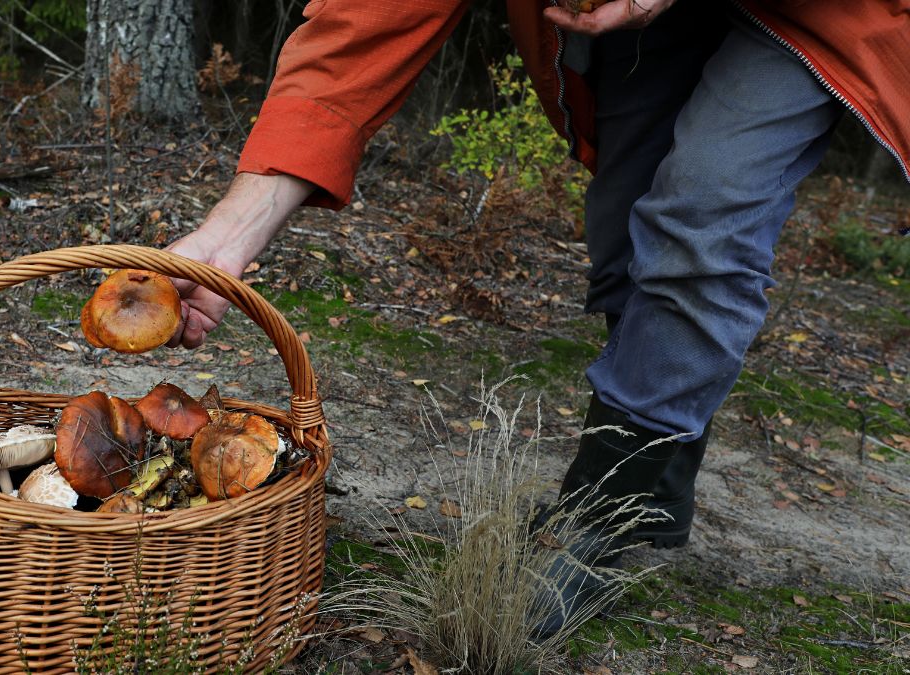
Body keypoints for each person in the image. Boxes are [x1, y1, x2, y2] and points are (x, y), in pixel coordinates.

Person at [164, 0, 910, 633]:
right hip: (631, 27)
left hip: (823, 16)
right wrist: (231, 238)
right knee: (626, 236)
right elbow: (364, 23)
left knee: (701, 216)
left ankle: (601, 510)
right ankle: (655, 490)